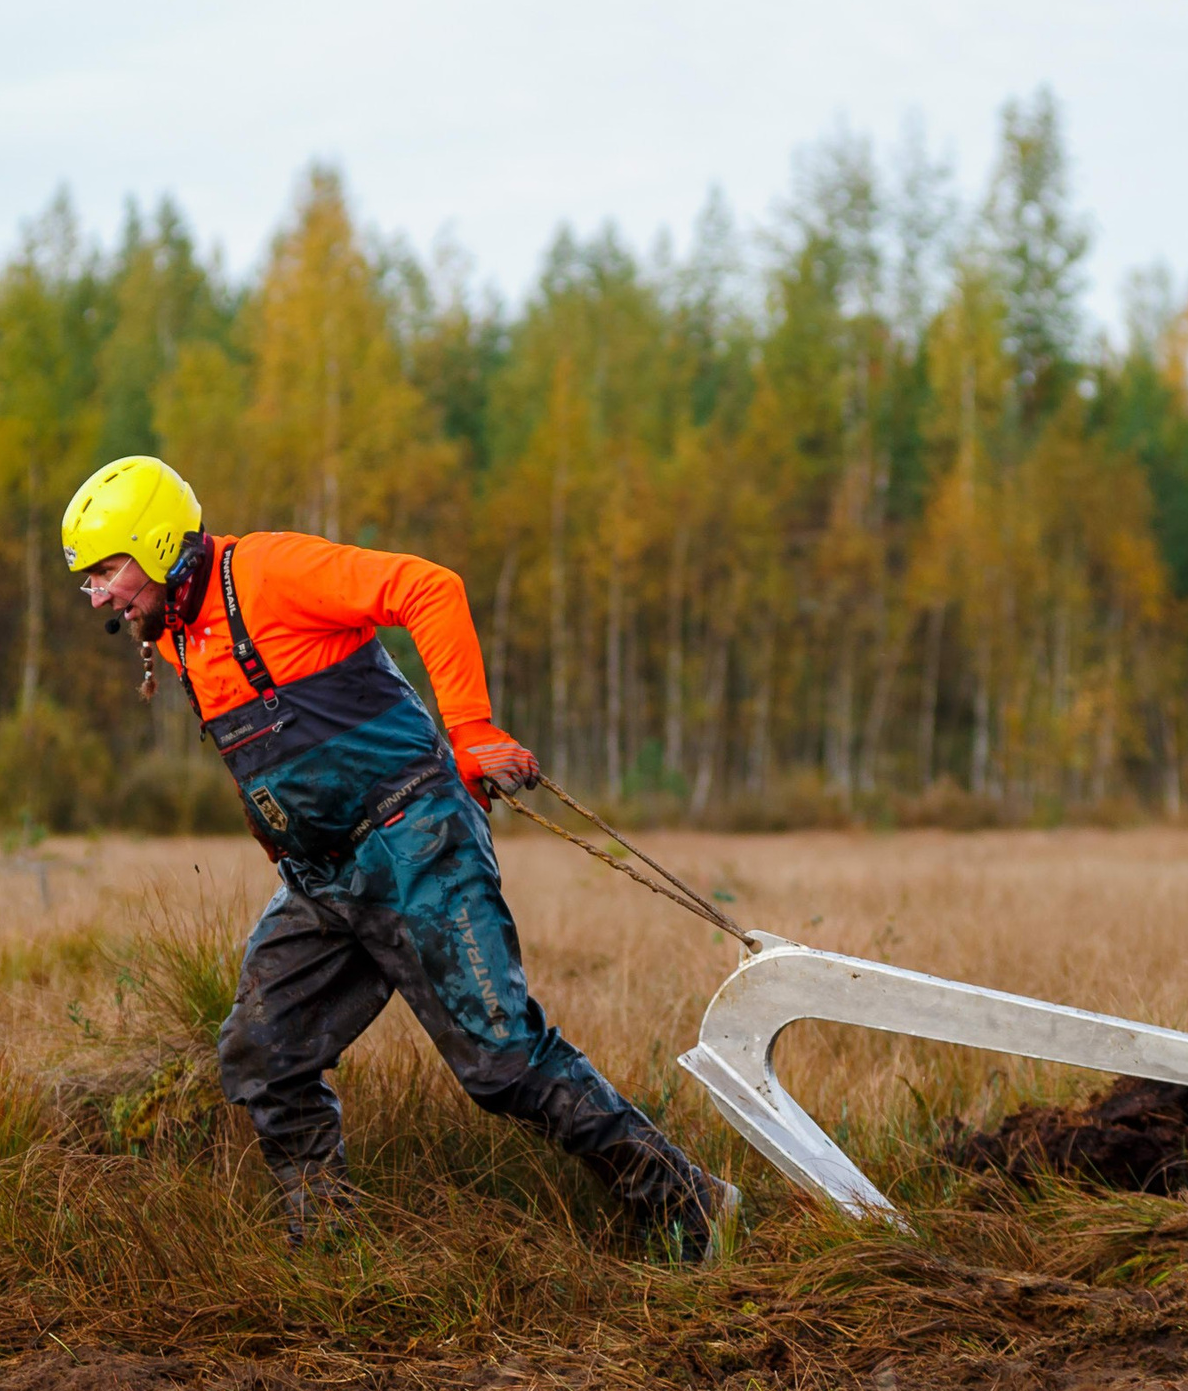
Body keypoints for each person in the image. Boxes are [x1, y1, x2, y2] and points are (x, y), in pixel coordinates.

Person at [60, 455, 738, 1259]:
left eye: (107, 570)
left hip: (417, 842)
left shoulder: (272, 570)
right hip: (323, 881)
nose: (99, 595)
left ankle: (689, 1203)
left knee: (504, 1063)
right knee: (259, 1054)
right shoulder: (176, 637)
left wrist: (473, 730)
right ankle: (328, 1247)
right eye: (90, 581)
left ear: (161, 544)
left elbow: (430, 588)